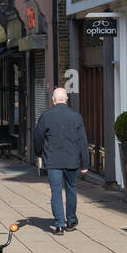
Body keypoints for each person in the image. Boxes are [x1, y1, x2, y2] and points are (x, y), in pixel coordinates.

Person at [34, 87, 90, 234]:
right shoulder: (76, 116)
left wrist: (39, 153)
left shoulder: (46, 116)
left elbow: (38, 138)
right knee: (71, 189)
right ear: (66, 99)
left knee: (56, 192)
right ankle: (71, 221)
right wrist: (85, 163)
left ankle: (59, 224)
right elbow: (82, 141)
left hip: (53, 161)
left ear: (53, 100)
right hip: (72, 160)